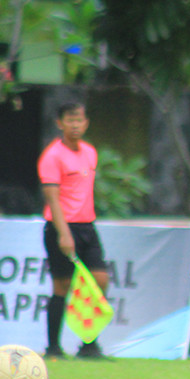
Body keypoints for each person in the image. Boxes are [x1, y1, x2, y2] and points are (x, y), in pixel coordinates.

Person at [38, 101, 110, 360]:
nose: (75, 125)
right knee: (62, 285)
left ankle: (89, 345)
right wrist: (63, 233)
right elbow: (53, 198)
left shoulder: (90, 152)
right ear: (60, 123)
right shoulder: (52, 156)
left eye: (79, 120)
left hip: (87, 226)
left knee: (99, 280)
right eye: (70, 120)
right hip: (61, 227)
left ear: (86, 122)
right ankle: (53, 348)